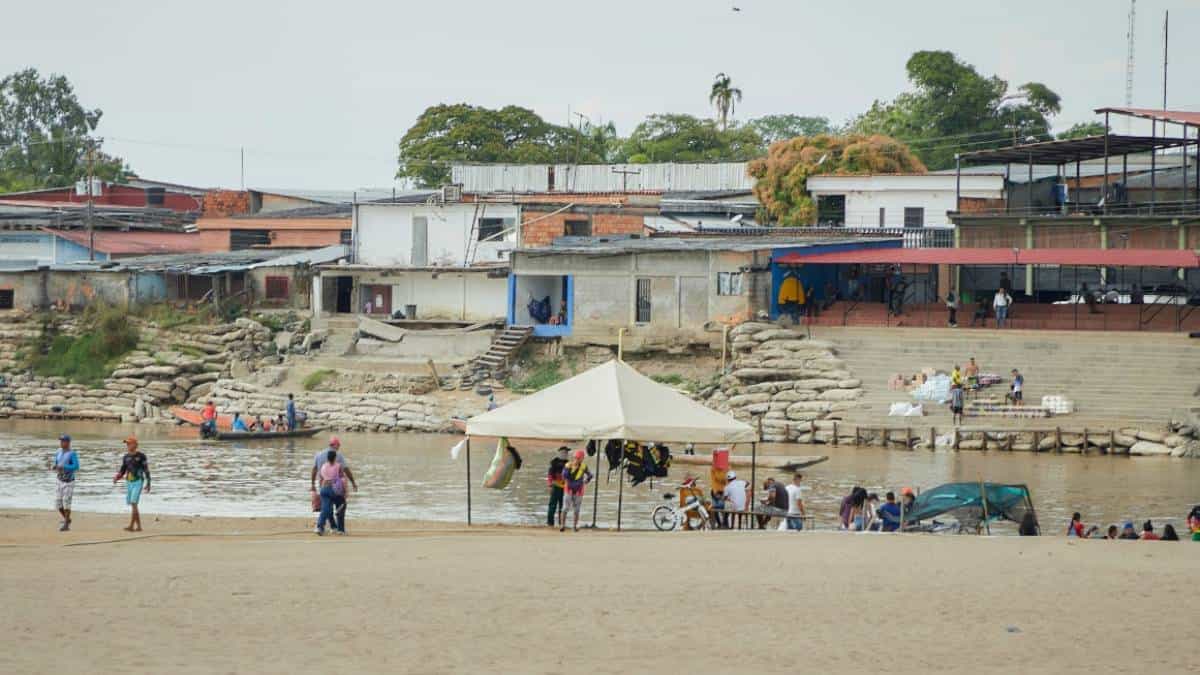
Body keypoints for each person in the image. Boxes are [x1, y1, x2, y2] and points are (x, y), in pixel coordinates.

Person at [309, 437, 357, 534]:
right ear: (335, 445)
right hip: (335, 487)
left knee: (326, 507)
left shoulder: (319, 456)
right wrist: (352, 483)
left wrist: (313, 484)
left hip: (323, 485)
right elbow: (344, 473)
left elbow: (314, 470)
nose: (339, 447)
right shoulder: (338, 457)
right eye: (338, 445)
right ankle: (340, 529)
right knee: (341, 505)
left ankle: (323, 527)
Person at [112, 437, 150, 532]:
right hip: (129, 482)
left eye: (129, 444)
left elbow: (146, 470)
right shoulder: (126, 457)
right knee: (133, 504)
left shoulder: (141, 456)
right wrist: (117, 477)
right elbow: (123, 470)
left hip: (138, 481)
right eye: (127, 444)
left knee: (134, 503)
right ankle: (139, 526)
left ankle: (132, 526)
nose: (128, 446)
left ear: (135, 445)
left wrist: (148, 483)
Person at [50, 434, 79, 532]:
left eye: (63, 441)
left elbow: (76, 467)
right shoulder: (58, 452)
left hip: (69, 481)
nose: (61, 443)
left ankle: (66, 524)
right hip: (59, 480)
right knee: (58, 503)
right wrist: (55, 466)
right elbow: (56, 463)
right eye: (61, 441)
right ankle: (67, 519)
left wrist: (64, 467)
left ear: (68, 442)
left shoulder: (72, 453)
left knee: (67, 502)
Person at [314, 449, 345, 536]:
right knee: (341, 506)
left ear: (327, 458)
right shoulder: (338, 466)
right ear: (335, 458)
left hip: (324, 488)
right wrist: (344, 491)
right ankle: (340, 529)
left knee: (325, 509)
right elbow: (342, 478)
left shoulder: (323, 466)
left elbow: (320, 477)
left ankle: (320, 527)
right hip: (334, 489)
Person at [561, 449, 592, 532]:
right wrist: (570, 468)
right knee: (565, 508)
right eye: (576, 458)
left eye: (579, 458)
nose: (577, 460)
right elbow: (564, 476)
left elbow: (590, 475)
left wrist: (586, 481)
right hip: (569, 489)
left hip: (579, 490)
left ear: (582, 459)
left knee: (577, 509)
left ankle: (574, 526)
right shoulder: (568, 465)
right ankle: (562, 525)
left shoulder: (584, 466)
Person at [546, 447, 568, 528]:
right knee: (552, 506)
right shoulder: (554, 463)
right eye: (565, 452)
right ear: (560, 453)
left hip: (565, 488)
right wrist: (550, 485)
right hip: (555, 487)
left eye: (567, 452)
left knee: (563, 506)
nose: (566, 454)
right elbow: (550, 475)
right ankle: (550, 523)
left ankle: (561, 523)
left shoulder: (568, 463)